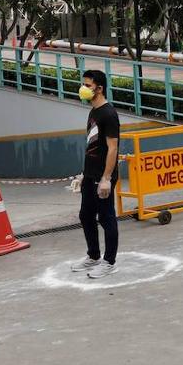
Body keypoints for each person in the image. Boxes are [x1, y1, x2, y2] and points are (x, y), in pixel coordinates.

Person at [71, 70, 120, 278]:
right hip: (90, 174)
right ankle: (93, 255)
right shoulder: (93, 111)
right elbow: (93, 145)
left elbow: (112, 148)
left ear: (99, 88)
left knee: (107, 217)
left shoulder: (108, 114)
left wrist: (106, 179)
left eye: (88, 85)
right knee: (86, 215)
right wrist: (84, 174)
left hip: (103, 176)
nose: (84, 88)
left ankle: (109, 262)